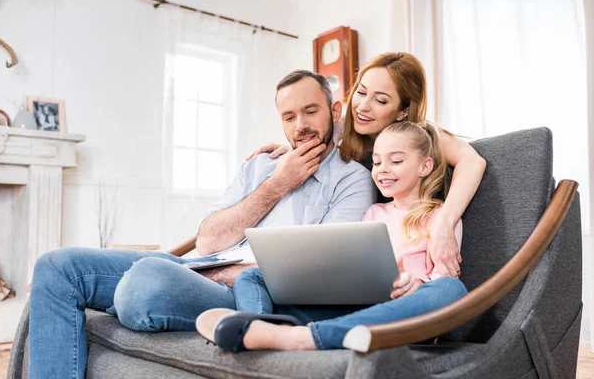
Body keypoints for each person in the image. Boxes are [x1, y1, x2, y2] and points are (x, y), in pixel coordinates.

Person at [27, 70, 375, 378]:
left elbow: (318, 270)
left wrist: (219, 273)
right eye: (289, 116)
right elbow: (207, 241)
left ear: (334, 111)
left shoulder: (352, 180)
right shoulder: (261, 168)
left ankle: (133, 293)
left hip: (247, 290)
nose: (300, 125)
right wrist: (277, 184)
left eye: (311, 111)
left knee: (145, 282)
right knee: (56, 267)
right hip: (200, 267)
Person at [196, 121, 467, 352]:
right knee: (252, 275)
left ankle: (295, 337)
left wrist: (417, 285)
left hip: (405, 317)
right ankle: (261, 328)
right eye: (376, 162)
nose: (383, 169)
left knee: (452, 291)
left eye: (396, 161)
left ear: (425, 166)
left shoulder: (442, 217)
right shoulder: (374, 211)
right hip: (354, 310)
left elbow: (444, 279)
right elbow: (352, 265)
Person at [246, 52, 486, 278]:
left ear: (403, 111)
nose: (362, 106)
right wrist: (288, 149)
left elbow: (472, 161)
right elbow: (311, 131)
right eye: (361, 92)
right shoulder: (345, 126)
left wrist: (444, 225)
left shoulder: (419, 136)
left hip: (412, 253)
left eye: (380, 100)